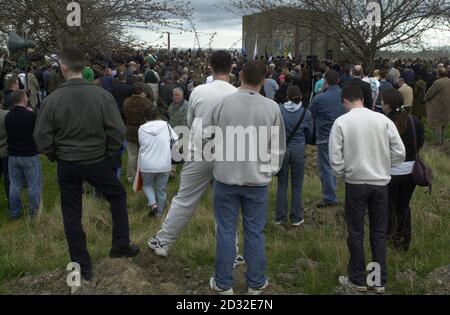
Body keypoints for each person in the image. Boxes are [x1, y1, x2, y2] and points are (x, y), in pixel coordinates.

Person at [34, 48, 140, 282]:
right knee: (117, 195)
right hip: (94, 160)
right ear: (84, 67)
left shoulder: (52, 100)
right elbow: (117, 131)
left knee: (72, 213)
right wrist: (106, 153)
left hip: (68, 163)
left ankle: (83, 266)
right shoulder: (101, 96)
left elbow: (41, 137)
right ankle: (120, 243)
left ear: (63, 68)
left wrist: (56, 155)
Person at [148, 51, 238, 259]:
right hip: (228, 154)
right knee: (226, 206)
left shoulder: (198, 92)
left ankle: (163, 241)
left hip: (200, 151)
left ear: (210, 67)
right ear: (232, 67)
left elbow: (190, 121)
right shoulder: (236, 93)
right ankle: (231, 252)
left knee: (185, 199)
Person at [208, 60, 286, 295]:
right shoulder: (271, 108)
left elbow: (207, 137)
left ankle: (223, 284)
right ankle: (256, 283)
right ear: (264, 79)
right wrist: (269, 171)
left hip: (226, 178)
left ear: (239, 75)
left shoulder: (223, 104)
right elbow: (278, 146)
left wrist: (219, 159)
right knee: (254, 232)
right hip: (256, 181)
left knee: (226, 232)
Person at [329, 85, 405, 294]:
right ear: (363, 98)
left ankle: (358, 280)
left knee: (355, 232)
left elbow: (335, 158)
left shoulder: (341, 122)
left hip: (355, 183)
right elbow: (400, 151)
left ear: (345, 100)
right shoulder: (383, 120)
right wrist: (384, 166)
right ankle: (378, 280)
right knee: (378, 233)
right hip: (380, 183)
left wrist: (343, 174)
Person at [381, 89, 424, 251]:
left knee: (389, 206)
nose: (381, 104)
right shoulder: (414, 121)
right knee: (404, 206)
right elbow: (420, 142)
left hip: (391, 171)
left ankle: (390, 237)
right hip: (411, 171)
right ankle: (404, 240)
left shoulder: (384, 123)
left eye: (383, 101)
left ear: (388, 105)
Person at [276, 85, 311, 226]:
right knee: (297, 186)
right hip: (298, 150)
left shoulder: (279, 110)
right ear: (300, 97)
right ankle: (296, 217)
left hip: (283, 149)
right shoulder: (305, 114)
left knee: (282, 184)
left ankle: (280, 217)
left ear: (286, 96)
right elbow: (309, 133)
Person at [309, 70, 346, 208]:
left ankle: (330, 197)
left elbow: (310, 114)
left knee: (326, 167)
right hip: (344, 136)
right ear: (338, 80)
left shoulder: (320, 98)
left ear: (325, 81)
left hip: (325, 136)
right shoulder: (345, 95)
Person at [5, 90, 42, 220]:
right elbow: (39, 129)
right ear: (24, 99)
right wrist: (34, 114)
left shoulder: (8, 116)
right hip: (29, 154)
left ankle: (14, 212)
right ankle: (34, 213)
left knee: (15, 185)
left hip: (13, 155)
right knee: (33, 184)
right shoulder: (31, 116)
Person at [139, 110, 177, 217]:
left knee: (147, 185)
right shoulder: (165, 125)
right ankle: (159, 214)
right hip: (164, 163)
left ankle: (153, 204)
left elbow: (141, 144)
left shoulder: (141, 129)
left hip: (147, 164)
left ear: (145, 119)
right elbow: (176, 140)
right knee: (161, 188)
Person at [124, 82, 157, 182]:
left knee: (132, 155)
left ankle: (131, 177)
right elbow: (153, 117)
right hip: (144, 130)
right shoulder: (147, 103)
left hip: (130, 130)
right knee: (146, 155)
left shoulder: (126, 101)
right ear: (141, 92)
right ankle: (145, 176)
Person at [424, 66, 450, 146]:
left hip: (438, 106)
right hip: (447, 104)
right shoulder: (449, 81)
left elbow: (429, 94)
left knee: (437, 124)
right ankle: (442, 141)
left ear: (439, 74)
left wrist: (425, 98)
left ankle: (439, 142)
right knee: (443, 123)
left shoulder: (437, 82)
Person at [0, 91, 10, 209]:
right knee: (8, 178)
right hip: (5, 151)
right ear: (2, 100)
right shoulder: (6, 115)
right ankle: (10, 201)